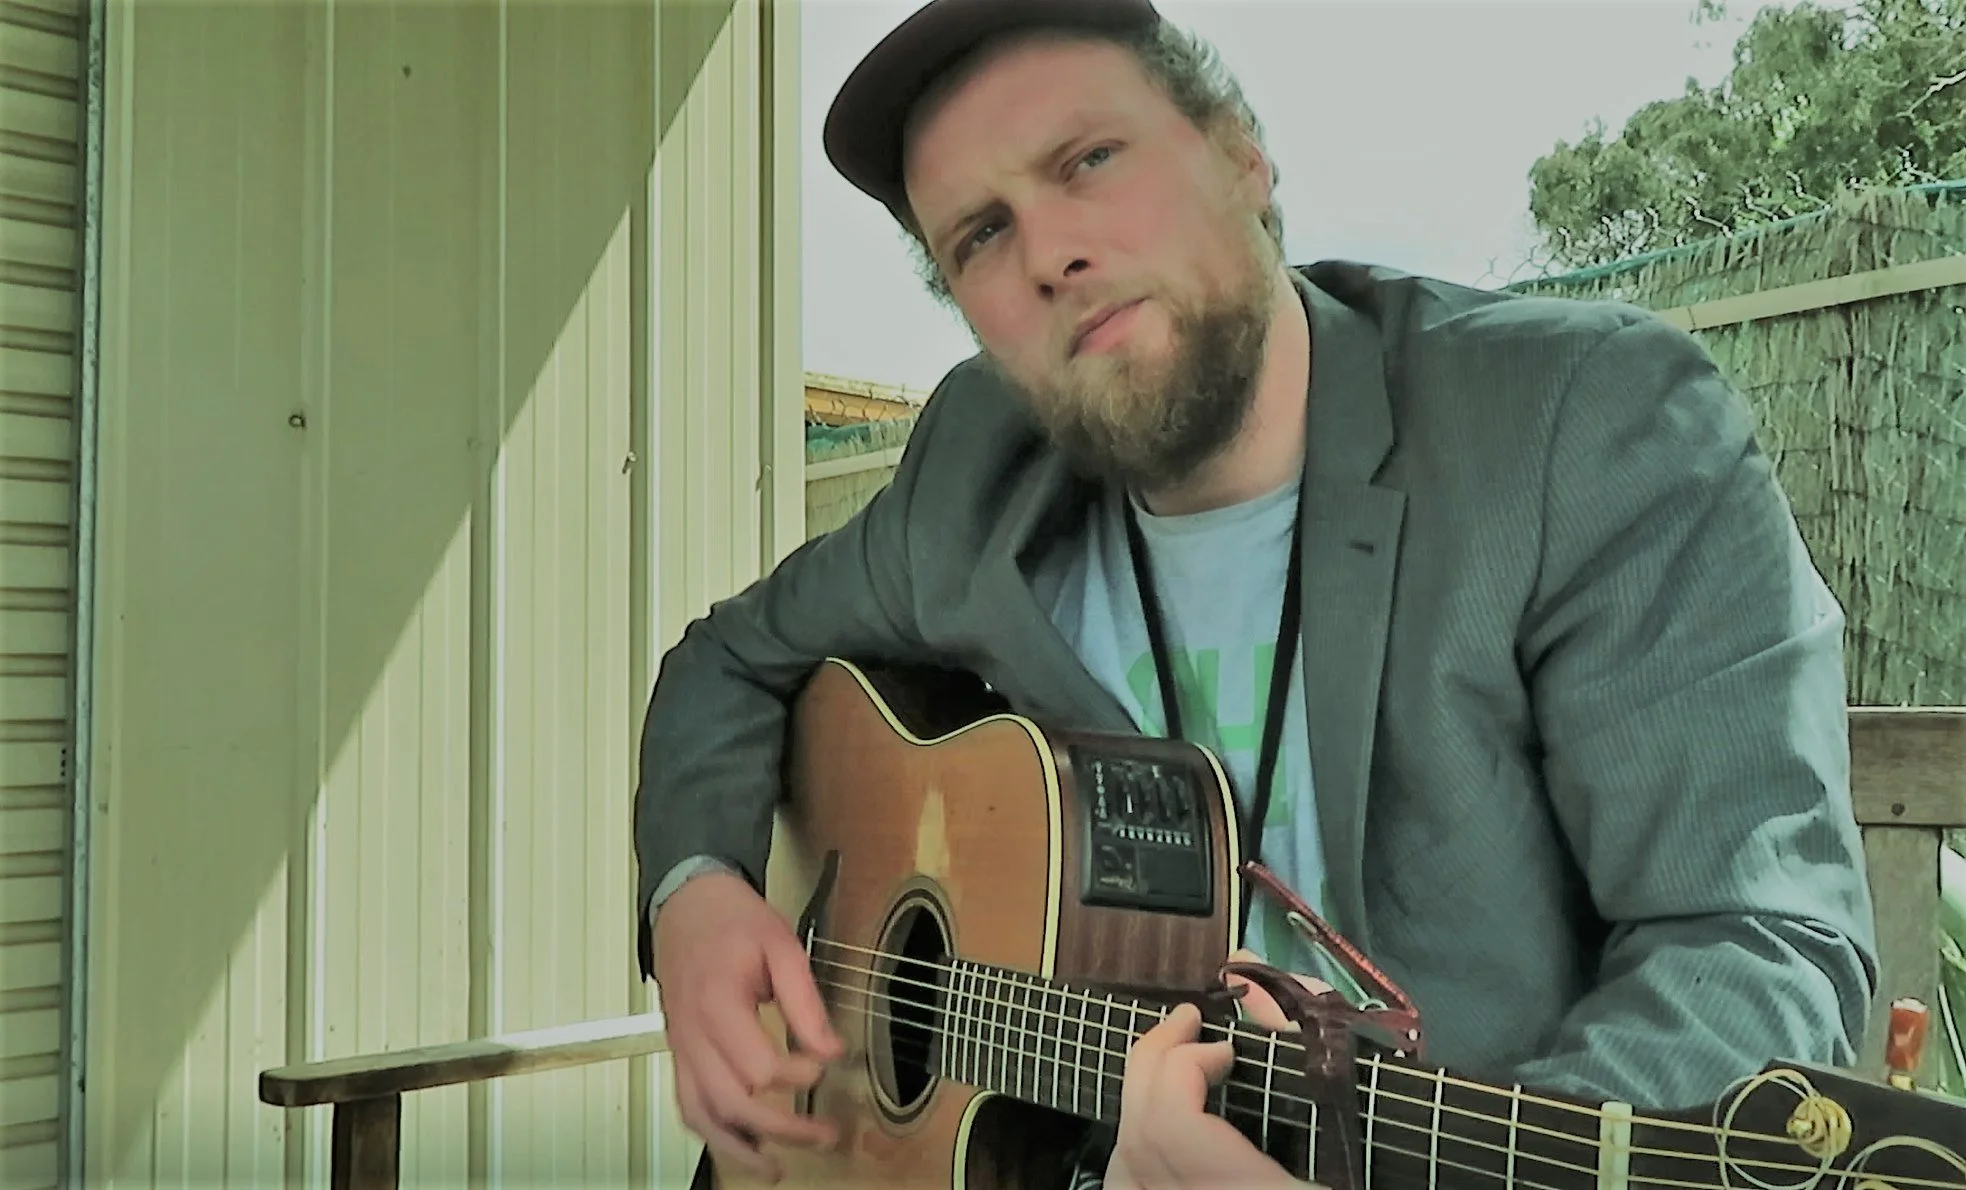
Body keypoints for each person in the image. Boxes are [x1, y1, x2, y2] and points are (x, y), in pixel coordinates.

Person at [632, 0, 1881, 1185]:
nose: (1054, 253)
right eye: (980, 235)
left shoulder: (1583, 428)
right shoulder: (973, 476)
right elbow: (729, 659)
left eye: (1089, 159)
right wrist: (696, 892)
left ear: (1242, 157)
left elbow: (1759, 950)